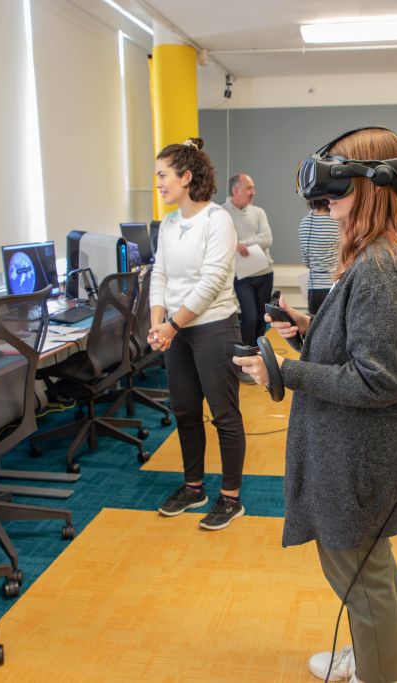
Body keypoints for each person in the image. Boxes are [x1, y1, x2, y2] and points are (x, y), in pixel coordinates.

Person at [235, 127, 397, 683]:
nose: (329, 209)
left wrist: (284, 370)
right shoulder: (387, 255)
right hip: (368, 447)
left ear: (372, 189)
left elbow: (380, 379)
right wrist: (306, 331)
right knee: (369, 562)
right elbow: (361, 348)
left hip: (362, 450)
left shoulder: (378, 268)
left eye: (337, 196)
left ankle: (379, 672)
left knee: (356, 570)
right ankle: (377, 655)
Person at [149, 138, 247, 531]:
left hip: (213, 327)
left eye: (162, 175)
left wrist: (171, 326)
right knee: (185, 410)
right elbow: (160, 273)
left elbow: (210, 283)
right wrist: (158, 321)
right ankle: (194, 487)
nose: (157, 183)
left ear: (186, 177)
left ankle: (231, 497)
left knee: (224, 414)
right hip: (176, 330)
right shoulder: (170, 223)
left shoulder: (217, 220)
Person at [223, 173, 275, 352]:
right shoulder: (222, 213)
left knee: (262, 317)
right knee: (250, 317)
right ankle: (245, 354)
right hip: (242, 275)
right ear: (236, 190)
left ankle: (258, 351)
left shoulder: (259, 212)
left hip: (264, 273)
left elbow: (267, 239)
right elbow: (223, 241)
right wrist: (234, 243)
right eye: (249, 188)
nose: (253, 192)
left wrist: (241, 243)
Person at [298, 198, 339, 314]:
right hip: (334, 285)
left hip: (313, 289)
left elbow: (307, 262)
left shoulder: (305, 223)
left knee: (315, 328)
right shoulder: (337, 222)